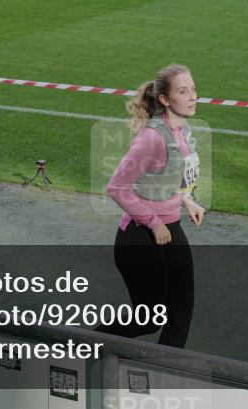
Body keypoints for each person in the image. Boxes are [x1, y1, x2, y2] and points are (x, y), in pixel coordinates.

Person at [96, 64, 205, 349]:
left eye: (193, 89)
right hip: (139, 236)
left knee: (181, 311)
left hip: (171, 227)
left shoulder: (183, 131)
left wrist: (187, 199)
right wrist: (154, 223)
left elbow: (172, 177)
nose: (193, 96)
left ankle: (165, 374)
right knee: (148, 320)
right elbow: (116, 187)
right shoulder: (151, 138)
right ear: (166, 100)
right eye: (184, 91)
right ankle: (77, 347)